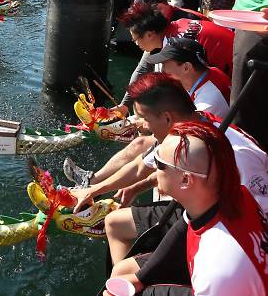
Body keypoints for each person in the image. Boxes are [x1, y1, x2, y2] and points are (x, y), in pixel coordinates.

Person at [71, 74, 268, 266]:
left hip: (224, 231)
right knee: (114, 223)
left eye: (143, 118)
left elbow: (259, 216)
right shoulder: (181, 130)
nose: (142, 126)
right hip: (198, 209)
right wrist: (94, 190)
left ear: (166, 117)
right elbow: (140, 167)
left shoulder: (237, 154)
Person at [104, 121, 268, 296]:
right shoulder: (227, 197)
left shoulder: (217, 269)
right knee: (122, 272)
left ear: (186, 180)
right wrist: (140, 277)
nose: (154, 171)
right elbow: (183, 228)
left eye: (159, 164)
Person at [64, 38, 231, 190]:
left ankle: (92, 187)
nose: (162, 70)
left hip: (204, 160)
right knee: (140, 143)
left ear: (186, 67)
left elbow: (184, 128)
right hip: (199, 141)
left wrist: (142, 124)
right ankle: (92, 181)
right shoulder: (204, 77)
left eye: (166, 65)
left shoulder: (209, 100)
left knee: (142, 142)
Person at [175, 0, 268, 149]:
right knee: (244, 115)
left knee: (248, 121)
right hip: (250, 25)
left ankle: (249, 180)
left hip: (260, 31)